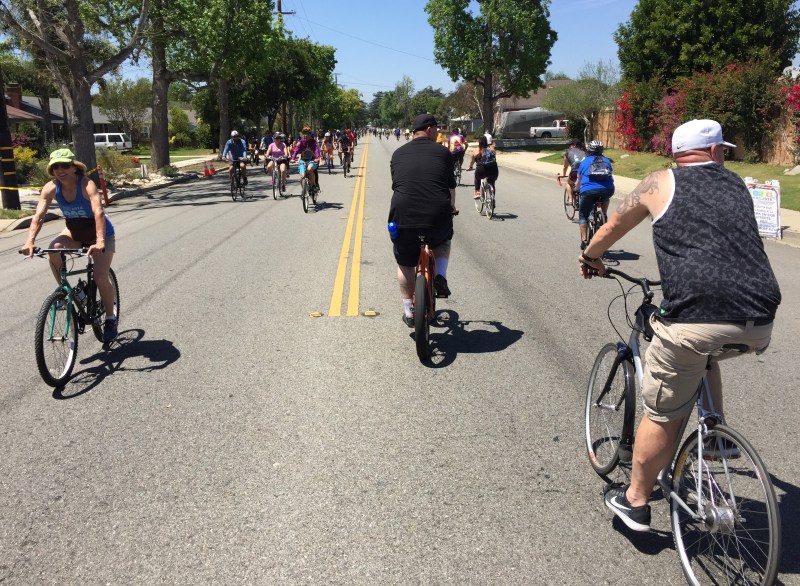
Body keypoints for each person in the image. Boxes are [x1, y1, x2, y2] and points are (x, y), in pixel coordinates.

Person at [578, 119, 781, 533]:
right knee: (706, 352)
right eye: (723, 150)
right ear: (714, 151)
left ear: (676, 153)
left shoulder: (658, 182)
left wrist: (590, 256)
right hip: (760, 318)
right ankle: (716, 432)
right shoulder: (737, 184)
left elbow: (613, 226)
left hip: (695, 319)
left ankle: (636, 500)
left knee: (663, 411)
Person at [19, 149, 118, 343]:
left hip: (101, 233)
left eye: (64, 165)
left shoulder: (86, 184)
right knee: (54, 248)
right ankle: (65, 292)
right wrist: (29, 240)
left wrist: (99, 241)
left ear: (74, 167)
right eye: (55, 167)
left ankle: (110, 318)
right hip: (76, 232)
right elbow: (39, 216)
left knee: (100, 277)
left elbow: (98, 212)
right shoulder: (50, 188)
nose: (60, 170)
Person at [388, 113, 458, 326]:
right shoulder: (443, 153)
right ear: (429, 129)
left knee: (404, 262)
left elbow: (397, 184)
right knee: (443, 240)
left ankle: (408, 311)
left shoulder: (398, 153)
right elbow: (450, 186)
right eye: (436, 128)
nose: (438, 132)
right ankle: (440, 276)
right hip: (436, 214)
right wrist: (451, 208)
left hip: (402, 215)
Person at [575, 140, 614, 250]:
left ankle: (584, 241)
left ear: (589, 150)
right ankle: (604, 215)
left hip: (589, 191)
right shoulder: (607, 161)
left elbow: (579, 180)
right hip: (608, 190)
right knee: (605, 198)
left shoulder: (585, 161)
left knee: (583, 215)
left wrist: (576, 189)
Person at [466, 135, 499, 201]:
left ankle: (477, 191)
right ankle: (493, 198)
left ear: (479, 142)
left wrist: (470, 167)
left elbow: (472, 162)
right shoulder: (492, 149)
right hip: (493, 170)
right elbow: (494, 158)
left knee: (477, 177)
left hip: (481, 170)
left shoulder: (476, 150)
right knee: (492, 182)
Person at [291, 126, 321, 194]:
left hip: (312, 160)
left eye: (307, 134)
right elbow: (296, 151)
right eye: (304, 134)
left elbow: (316, 150)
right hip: (303, 160)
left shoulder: (313, 142)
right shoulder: (300, 142)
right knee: (302, 175)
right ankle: (304, 190)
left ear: (310, 135)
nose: (305, 135)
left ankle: (313, 185)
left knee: (310, 169)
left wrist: (317, 158)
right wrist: (292, 159)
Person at [561, 139, 586, 207]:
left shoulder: (568, 153)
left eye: (570, 145)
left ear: (573, 145)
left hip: (574, 172)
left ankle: (570, 200)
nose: (569, 146)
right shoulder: (584, 152)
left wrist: (564, 175)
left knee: (568, 183)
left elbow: (565, 167)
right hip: (585, 172)